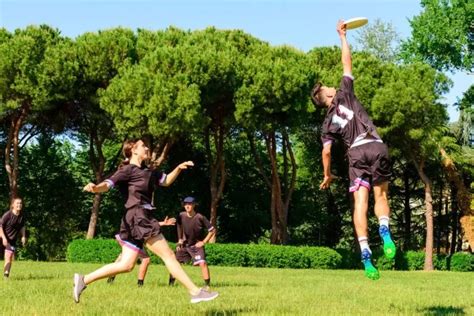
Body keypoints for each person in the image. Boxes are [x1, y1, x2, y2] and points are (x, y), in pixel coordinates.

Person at [75, 139, 218, 303]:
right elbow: (108, 184)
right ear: (133, 150)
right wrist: (95, 188)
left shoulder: (150, 172)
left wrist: (178, 168)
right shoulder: (127, 170)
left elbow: (166, 181)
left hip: (138, 218)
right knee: (169, 255)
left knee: (126, 265)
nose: (147, 148)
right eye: (143, 146)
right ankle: (195, 292)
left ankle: (83, 280)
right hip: (138, 216)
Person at [311, 20, 396, 280]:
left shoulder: (327, 124)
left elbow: (326, 152)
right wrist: (343, 37)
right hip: (376, 145)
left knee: (360, 202)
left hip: (356, 154)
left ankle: (366, 252)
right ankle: (384, 229)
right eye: (327, 87)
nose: (331, 86)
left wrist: (327, 174)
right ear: (324, 96)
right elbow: (347, 63)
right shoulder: (344, 93)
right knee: (381, 197)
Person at [106, 216, 176, 287]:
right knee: (146, 259)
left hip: (123, 235)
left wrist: (163, 223)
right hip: (130, 237)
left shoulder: (136, 209)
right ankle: (140, 284)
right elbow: (146, 225)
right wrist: (163, 223)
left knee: (123, 257)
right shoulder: (140, 209)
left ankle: (110, 278)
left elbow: (146, 224)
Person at [169, 197, 216, 289]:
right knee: (175, 263)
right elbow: (179, 226)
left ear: (194, 205)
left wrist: (204, 242)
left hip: (196, 246)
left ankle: (207, 286)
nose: (187, 206)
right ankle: (170, 285)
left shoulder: (200, 217)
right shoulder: (181, 215)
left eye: (190, 204)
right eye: (186, 204)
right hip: (185, 245)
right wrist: (179, 240)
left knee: (202, 263)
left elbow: (212, 230)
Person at [0, 197, 27, 278]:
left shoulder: (21, 217)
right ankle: (6, 275)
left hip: (12, 240)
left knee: (9, 256)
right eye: (17, 203)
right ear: (13, 205)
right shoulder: (7, 215)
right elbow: (0, 227)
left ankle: (6, 276)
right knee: (8, 256)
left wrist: (23, 236)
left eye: (20, 203)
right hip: (3, 238)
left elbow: (22, 227)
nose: (19, 205)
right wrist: (4, 238)